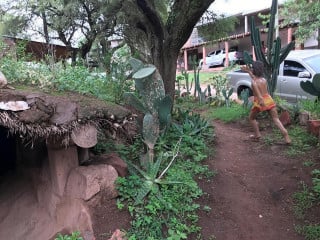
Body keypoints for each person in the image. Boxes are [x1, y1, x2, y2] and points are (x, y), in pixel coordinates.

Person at [241, 61, 291, 144]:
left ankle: (257, 135)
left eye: (252, 68)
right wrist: (248, 71)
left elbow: (259, 95)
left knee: (251, 118)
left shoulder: (254, 82)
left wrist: (261, 104)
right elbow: (254, 78)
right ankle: (286, 137)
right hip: (269, 99)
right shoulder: (263, 79)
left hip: (261, 102)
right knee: (276, 119)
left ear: (254, 70)